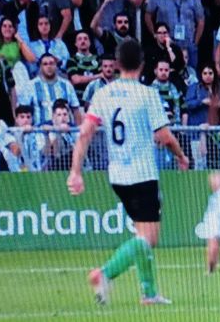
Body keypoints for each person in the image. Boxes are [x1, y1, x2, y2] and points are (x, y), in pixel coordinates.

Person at [67, 39, 189, 306]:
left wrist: (76, 171)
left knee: (141, 235)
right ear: (143, 64)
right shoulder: (147, 94)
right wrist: (181, 156)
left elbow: (85, 132)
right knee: (148, 238)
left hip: (117, 176)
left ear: (118, 64)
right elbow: (163, 135)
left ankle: (149, 293)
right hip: (142, 174)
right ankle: (105, 273)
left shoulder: (103, 94)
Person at [144, 0, 204, 69]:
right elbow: (148, 15)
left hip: (188, 45)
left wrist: (195, 42)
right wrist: (155, 34)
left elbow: (201, 20)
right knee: (166, 73)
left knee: (191, 76)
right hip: (166, 45)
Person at [19, 54, 82, 126]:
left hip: (65, 132)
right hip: (40, 133)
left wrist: (78, 131)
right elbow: (22, 111)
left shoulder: (67, 85)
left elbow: (76, 110)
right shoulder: (30, 86)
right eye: (45, 64)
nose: (49, 66)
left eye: (51, 63)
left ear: (56, 65)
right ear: (40, 67)